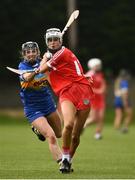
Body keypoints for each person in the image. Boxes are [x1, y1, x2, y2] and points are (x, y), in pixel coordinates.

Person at [34, 28, 94, 173]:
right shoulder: (56, 56)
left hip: (83, 92)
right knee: (68, 126)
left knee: (75, 135)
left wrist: (44, 57)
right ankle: (65, 159)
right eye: (50, 40)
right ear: (47, 42)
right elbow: (73, 70)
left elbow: (41, 69)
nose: (53, 43)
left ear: (60, 41)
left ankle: (68, 160)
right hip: (67, 93)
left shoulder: (62, 53)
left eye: (55, 39)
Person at [18, 41, 62, 164]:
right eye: (28, 52)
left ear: (37, 52)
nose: (31, 54)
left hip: (48, 104)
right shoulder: (22, 67)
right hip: (32, 108)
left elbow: (58, 62)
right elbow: (27, 78)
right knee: (51, 135)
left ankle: (38, 130)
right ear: (24, 54)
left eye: (33, 51)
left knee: (59, 134)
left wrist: (50, 56)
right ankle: (62, 162)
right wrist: (39, 68)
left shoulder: (43, 62)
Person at [83, 58, 106, 140]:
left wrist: (102, 90)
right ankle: (82, 126)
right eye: (97, 65)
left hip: (100, 99)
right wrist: (98, 91)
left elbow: (103, 84)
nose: (99, 67)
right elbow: (87, 87)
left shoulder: (100, 74)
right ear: (92, 66)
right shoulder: (89, 74)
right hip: (92, 99)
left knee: (101, 117)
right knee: (93, 118)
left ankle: (98, 134)